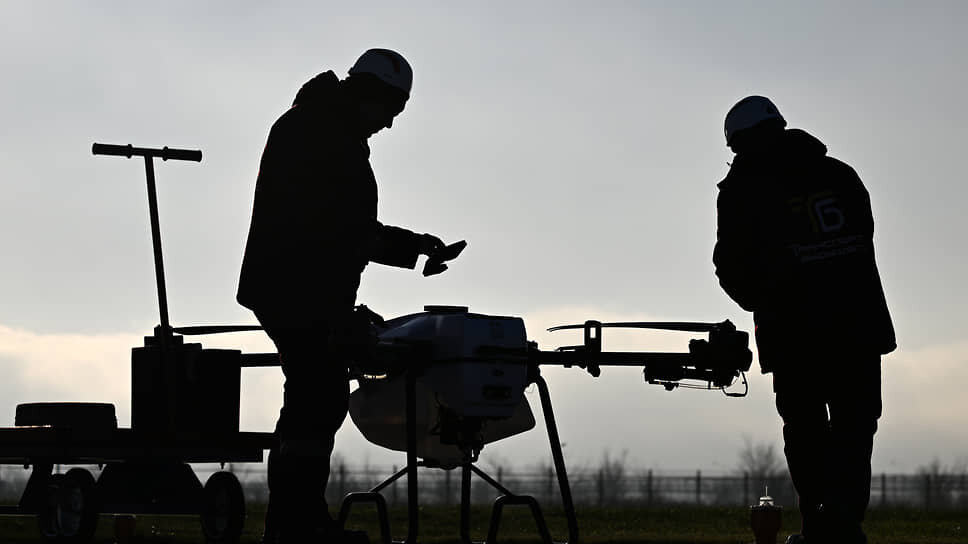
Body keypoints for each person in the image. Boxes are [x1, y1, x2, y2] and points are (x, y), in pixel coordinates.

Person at [237, 48, 459, 543]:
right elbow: (335, 229)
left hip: (302, 289)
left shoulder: (323, 129)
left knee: (316, 399)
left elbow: (347, 228)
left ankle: (297, 521)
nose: (390, 125)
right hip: (296, 290)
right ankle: (296, 525)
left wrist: (413, 246)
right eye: (391, 112)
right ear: (370, 96)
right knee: (315, 399)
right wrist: (402, 251)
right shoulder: (318, 134)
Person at [713, 96, 895, 544]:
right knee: (855, 426)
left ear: (739, 142)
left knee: (805, 428)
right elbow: (862, 238)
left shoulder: (743, 189)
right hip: (856, 327)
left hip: (795, 334)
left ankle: (818, 525)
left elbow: (729, 266)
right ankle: (845, 523)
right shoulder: (840, 175)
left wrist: (767, 300)